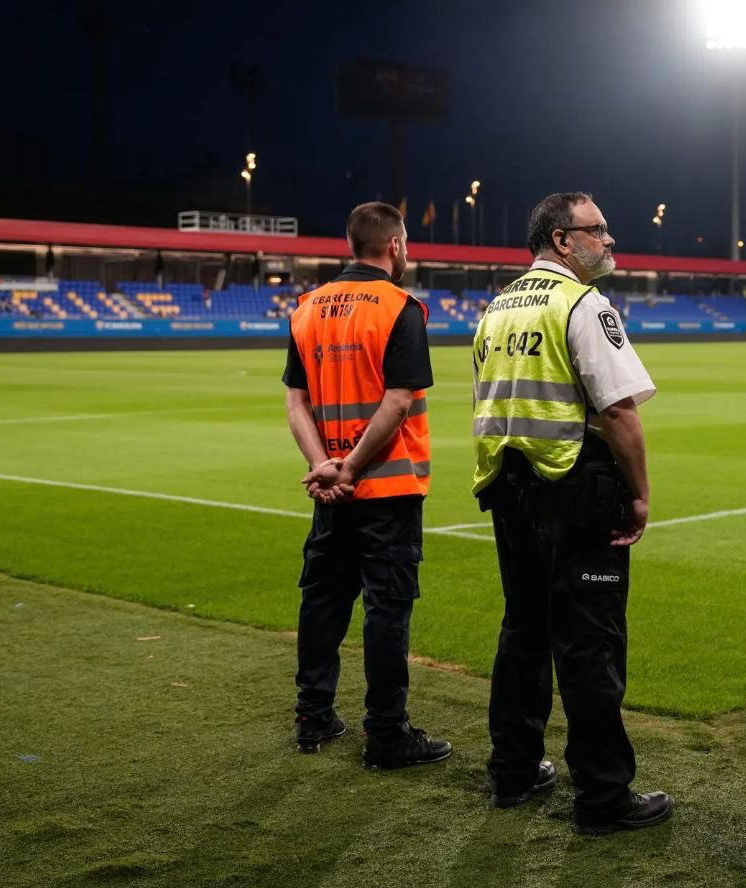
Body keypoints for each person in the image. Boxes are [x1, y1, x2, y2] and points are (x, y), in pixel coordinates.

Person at [472, 192, 672, 836]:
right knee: (589, 644)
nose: (610, 241)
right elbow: (618, 412)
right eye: (598, 230)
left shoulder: (496, 308)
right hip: (574, 491)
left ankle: (513, 771)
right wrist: (640, 493)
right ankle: (603, 797)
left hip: (509, 490)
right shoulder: (582, 303)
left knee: (523, 632)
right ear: (563, 240)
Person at [282, 201, 451, 769]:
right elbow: (399, 400)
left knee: (323, 600)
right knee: (387, 610)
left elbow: (294, 400)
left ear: (350, 243)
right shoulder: (400, 307)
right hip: (388, 489)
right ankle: (386, 735)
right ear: (395, 245)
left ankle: (313, 716)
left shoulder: (306, 308)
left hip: (329, 494)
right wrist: (351, 467)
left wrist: (323, 467)